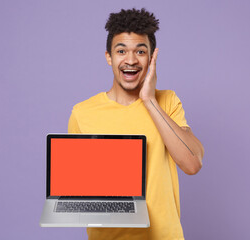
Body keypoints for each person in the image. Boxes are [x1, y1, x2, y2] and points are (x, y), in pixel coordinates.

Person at [68, 8, 204, 240]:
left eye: (140, 51)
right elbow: (78, 189)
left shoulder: (167, 101)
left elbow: (192, 163)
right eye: (121, 51)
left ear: (151, 58)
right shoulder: (82, 112)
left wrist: (150, 101)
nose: (130, 60)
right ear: (109, 57)